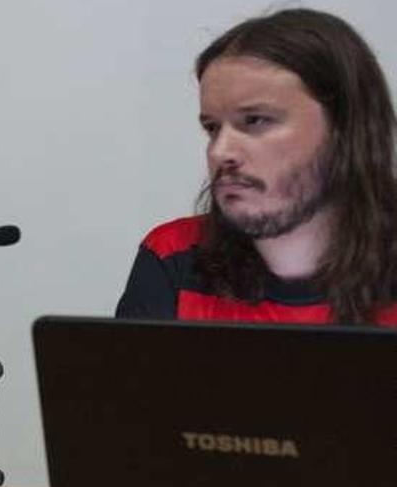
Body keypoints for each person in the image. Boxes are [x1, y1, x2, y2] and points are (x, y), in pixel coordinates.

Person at [116, 8, 397, 326]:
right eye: (212, 128)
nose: (220, 151)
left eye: (255, 121)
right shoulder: (173, 258)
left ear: (344, 129)